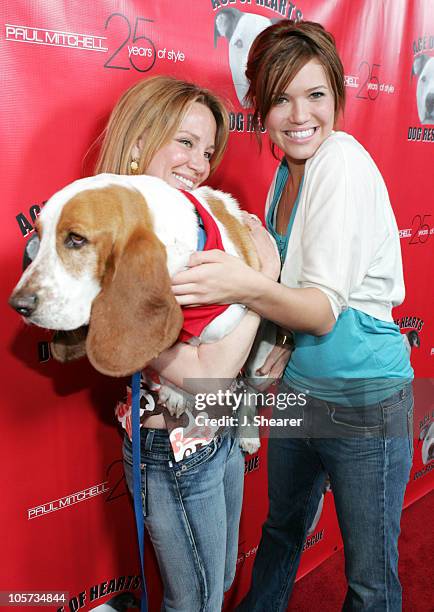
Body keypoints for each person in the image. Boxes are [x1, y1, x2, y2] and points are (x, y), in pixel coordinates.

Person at [171, 22, 414, 611]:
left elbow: (322, 312)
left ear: (337, 94)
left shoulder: (341, 160)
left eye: (315, 95)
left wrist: (243, 285)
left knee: (370, 579)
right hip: (301, 392)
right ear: (259, 104)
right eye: (281, 97)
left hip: (365, 401)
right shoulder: (288, 170)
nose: (298, 114)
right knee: (281, 533)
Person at [94, 75, 280, 612]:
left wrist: (250, 286)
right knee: (195, 602)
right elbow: (209, 374)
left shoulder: (198, 222)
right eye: (184, 142)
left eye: (207, 150)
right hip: (171, 447)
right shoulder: (115, 241)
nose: (199, 164)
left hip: (218, 431)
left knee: (218, 583)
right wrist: (260, 284)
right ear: (136, 144)